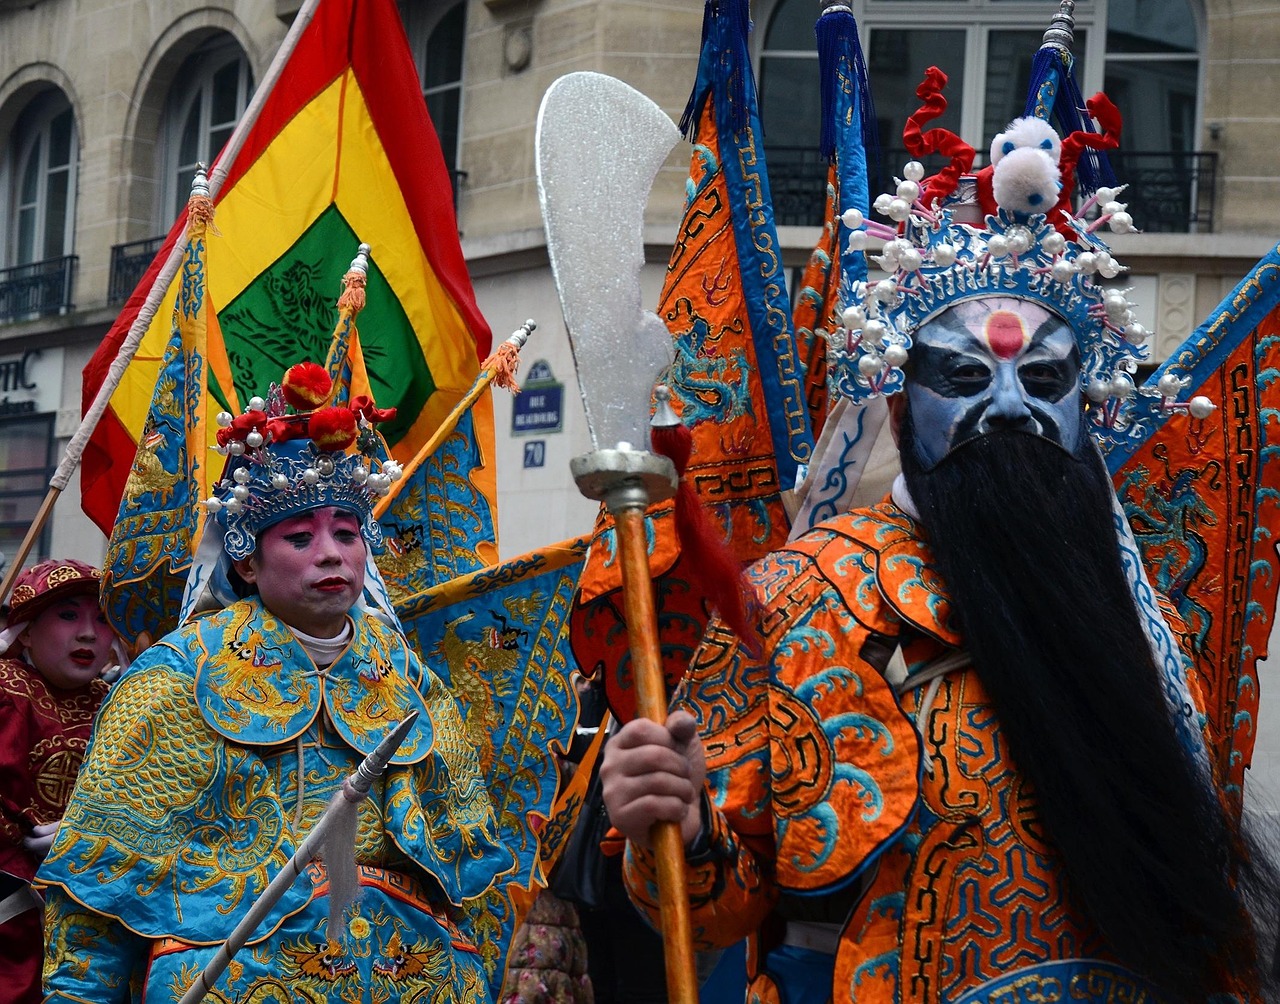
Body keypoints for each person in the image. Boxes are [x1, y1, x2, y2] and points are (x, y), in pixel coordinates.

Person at [598, 86, 1278, 1003]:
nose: (1009, 406)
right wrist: (675, 822)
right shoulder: (795, 596)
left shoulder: (1144, 615)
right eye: (963, 374)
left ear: (1088, 406)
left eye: (1044, 377)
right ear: (896, 402)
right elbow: (707, 910)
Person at [37, 363, 516, 1002]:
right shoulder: (174, 680)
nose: (330, 554)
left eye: (347, 534)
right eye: (299, 536)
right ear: (246, 557)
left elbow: (471, 885)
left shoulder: (415, 688)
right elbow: (94, 904)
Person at [0, 559, 117, 1004]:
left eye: (103, 618)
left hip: (94, 909)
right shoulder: (6, 689)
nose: (88, 633)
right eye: (68, 615)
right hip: (14, 921)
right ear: (26, 631)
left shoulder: (119, 701)